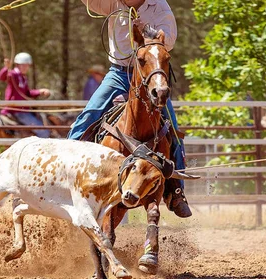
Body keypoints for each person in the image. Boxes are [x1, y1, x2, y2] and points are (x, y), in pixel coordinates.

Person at [67, 0, 191, 218]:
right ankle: (64, 174)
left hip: (150, 72)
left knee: (172, 131)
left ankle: (176, 191)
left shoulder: (159, 6)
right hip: (120, 73)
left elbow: (168, 41)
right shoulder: (113, 3)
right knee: (87, 118)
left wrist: (144, 29)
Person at [0, 52, 51, 138]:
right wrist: (6, 68)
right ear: (17, 65)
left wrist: (40, 92)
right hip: (17, 110)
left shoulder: (22, 77)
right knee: (44, 132)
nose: (26, 67)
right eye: (24, 65)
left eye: (27, 65)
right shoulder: (13, 74)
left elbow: (27, 93)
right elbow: (1, 77)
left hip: (22, 110)